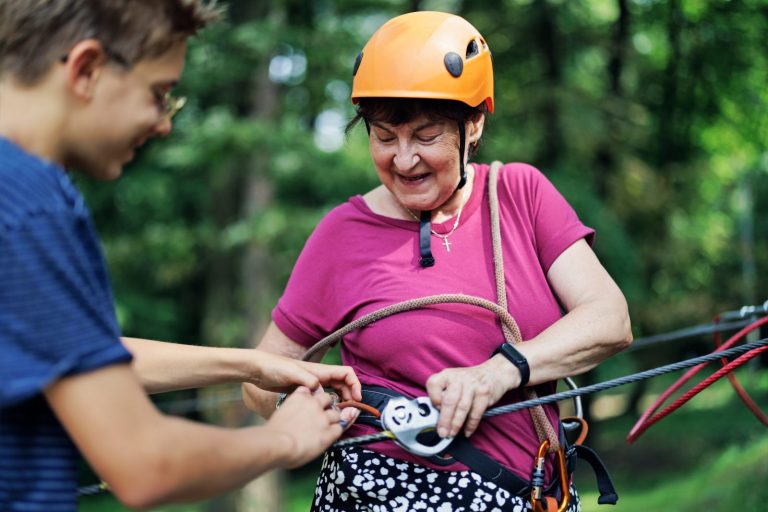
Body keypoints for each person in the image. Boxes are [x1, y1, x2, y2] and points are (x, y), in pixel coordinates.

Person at [243, 10, 632, 512]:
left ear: (473, 124)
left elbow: (610, 320)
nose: (403, 160)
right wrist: (300, 405)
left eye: (425, 136)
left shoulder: (520, 195)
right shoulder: (343, 234)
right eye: (384, 137)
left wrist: (498, 372)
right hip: (378, 493)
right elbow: (260, 379)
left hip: (528, 494)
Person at [0, 2, 361, 511]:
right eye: (159, 94)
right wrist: (286, 441)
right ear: (85, 70)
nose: (163, 124)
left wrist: (250, 365)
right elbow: (144, 463)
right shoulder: (29, 204)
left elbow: (78, 354)